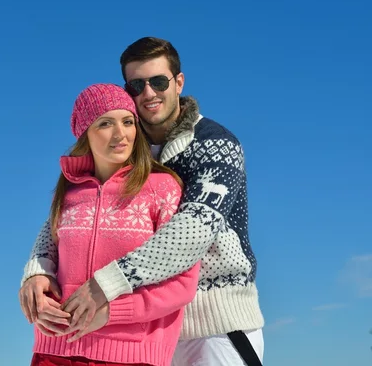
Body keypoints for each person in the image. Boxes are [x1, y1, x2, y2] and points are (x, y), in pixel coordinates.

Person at [20, 37, 265, 366]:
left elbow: (192, 232)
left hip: (214, 324)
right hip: (147, 333)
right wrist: (37, 270)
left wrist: (106, 285)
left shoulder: (215, 144)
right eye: (137, 85)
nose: (148, 93)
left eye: (159, 81)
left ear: (178, 82)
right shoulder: (126, 146)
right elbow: (71, 214)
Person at [25, 83, 200, 366]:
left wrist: (112, 312)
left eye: (128, 122)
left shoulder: (162, 189)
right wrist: (38, 285)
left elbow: (182, 284)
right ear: (86, 134)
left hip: (131, 356)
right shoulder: (69, 193)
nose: (121, 134)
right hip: (53, 352)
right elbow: (48, 258)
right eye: (105, 123)